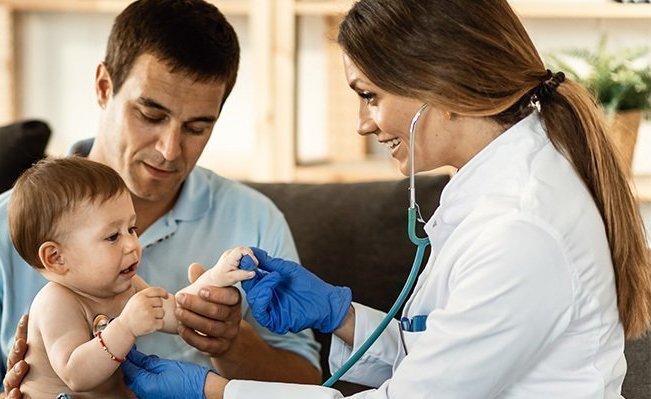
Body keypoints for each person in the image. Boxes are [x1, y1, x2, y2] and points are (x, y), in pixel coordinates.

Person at [118, 0, 651, 398]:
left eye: (369, 95)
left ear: (439, 80)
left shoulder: (520, 229)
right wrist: (338, 314)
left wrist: (213, 390)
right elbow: (430, 360)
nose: (362, 124)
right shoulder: (493, 190)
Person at [0, 1, 323, 397]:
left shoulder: (253, 220)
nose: (169, 149)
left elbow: (311, 385)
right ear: (104, 86)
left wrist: (231, 344)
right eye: (151, 115)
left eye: (196, 127)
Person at [7, 157, 257, 398]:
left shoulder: (127, 288)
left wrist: (215, 277)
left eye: (131, 229)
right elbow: (76, 375)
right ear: (56, 258)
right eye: (113, 236)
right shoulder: (56, 302)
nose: (132, 245)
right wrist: (125, 327)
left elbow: (180, 312)